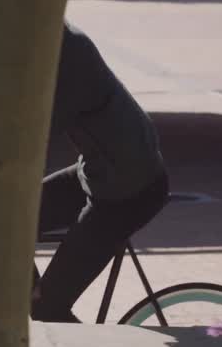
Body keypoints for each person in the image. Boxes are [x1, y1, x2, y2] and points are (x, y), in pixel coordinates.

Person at [29, 19, 169, 323]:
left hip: (130, 193)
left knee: (45, 308)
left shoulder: (70, 56)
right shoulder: (48, 38)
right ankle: (28, 297)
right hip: (98, 173)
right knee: (12, 219)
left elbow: (30, 137)